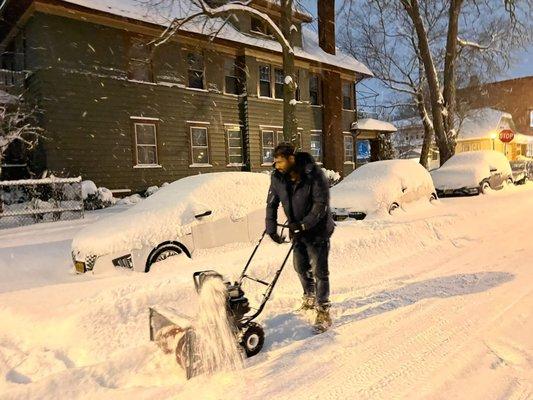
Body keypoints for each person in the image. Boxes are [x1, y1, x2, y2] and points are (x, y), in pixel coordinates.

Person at [265, 142, 335, 331]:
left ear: (291, 159)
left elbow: (321, 205)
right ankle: (309, 295)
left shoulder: (314, 174)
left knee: (320, 270)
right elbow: (272, 203)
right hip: (297, 230)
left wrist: (304, 224)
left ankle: (323, 309)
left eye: (279, 161)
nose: (276, 165)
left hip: (318, 229)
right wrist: (271, 227)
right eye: (274, 161)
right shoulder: (277, 177)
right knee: (300, 266)